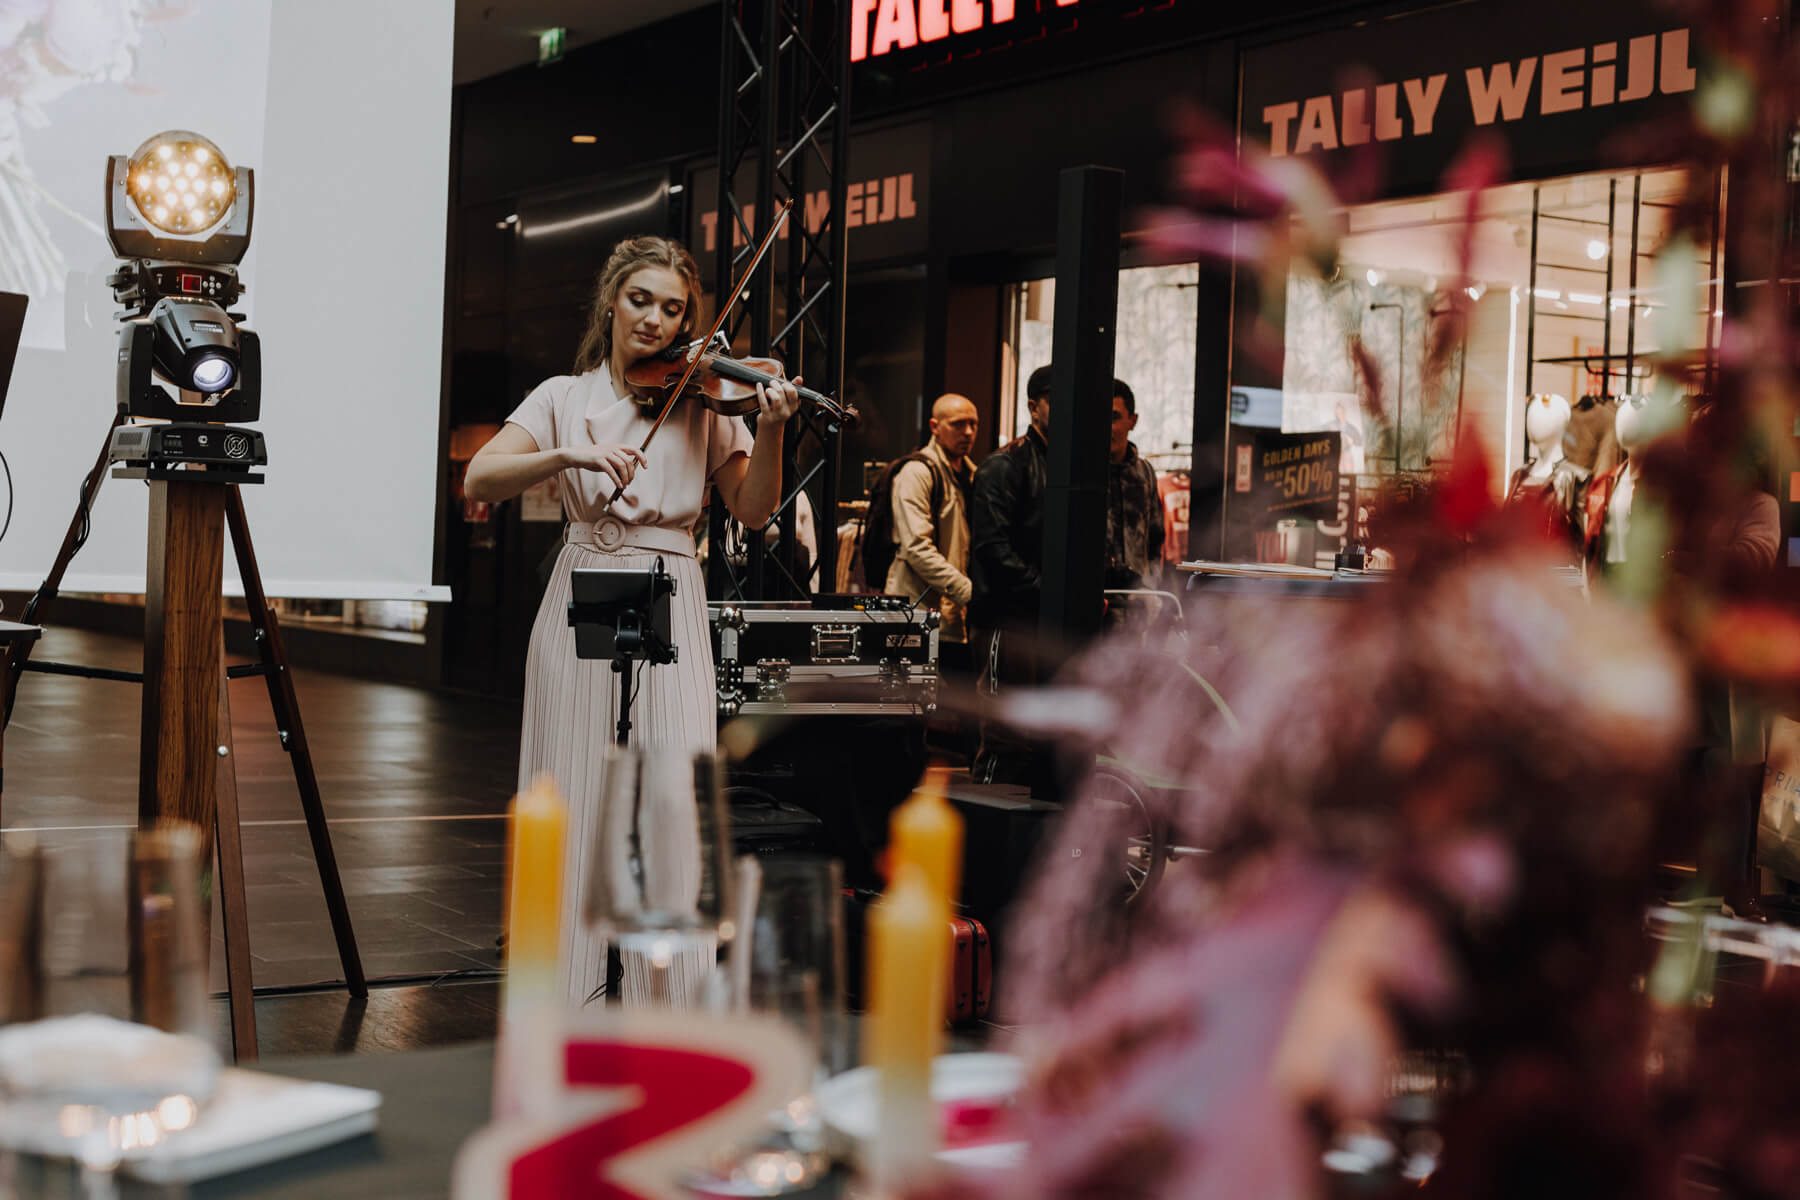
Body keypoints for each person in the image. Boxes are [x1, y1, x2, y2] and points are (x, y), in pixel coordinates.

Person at [463, 235, 800, 1006]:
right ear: (611, 301)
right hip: (585, 578)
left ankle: (668, 999)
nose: (653, 319)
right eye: (640, 300)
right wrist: (567, 460)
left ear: (688, 321)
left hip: (670, 585)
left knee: (672, 788)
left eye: (672, 308)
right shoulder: (562, 397)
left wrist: (773, 425)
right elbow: (483, 474)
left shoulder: (704, 402)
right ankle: (571, 990)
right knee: (575, 787)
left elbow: (754, 511)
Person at [967, 365, 1051, 784]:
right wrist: (1047, 592)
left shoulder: (1071, 466)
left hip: (1047, 618)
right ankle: (991, 841)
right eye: (1058, 399)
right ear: (1034, 407)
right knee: (1008, 734)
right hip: (1006, 617)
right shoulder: (1004, 465)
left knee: (1047, 736)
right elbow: (992, 549)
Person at [886, 392, 978, 673]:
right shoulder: (917, 472)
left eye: (974, 424)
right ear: (935, 426)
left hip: (952, 616)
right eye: (958, 424)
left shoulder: (972, 475)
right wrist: (968, 591)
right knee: (916, 706)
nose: (968, 432)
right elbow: (916, 547)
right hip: (916, 613)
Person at [1105, 379, 1164, 597]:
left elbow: (1156, 540)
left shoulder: (1144, 473)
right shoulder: (1081, 475)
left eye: (1114, 417)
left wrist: (1151, 589)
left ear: (1133, 420)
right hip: (1096, 605)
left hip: (1139, 603)